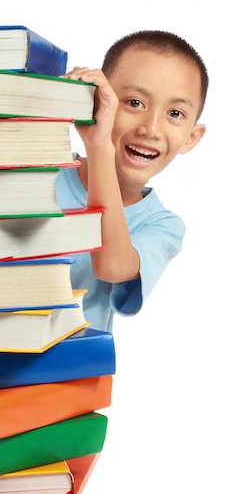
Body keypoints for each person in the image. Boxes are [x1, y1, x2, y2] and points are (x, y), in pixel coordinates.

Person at [55, 30, 208, 332]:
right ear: (99, 103)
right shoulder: (42, 171)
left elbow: (112, 267)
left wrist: (99, 147)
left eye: (174, 113)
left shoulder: (162, 225)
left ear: (191, 138)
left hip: (74, 374)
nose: (150, 128)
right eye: (135, 103)